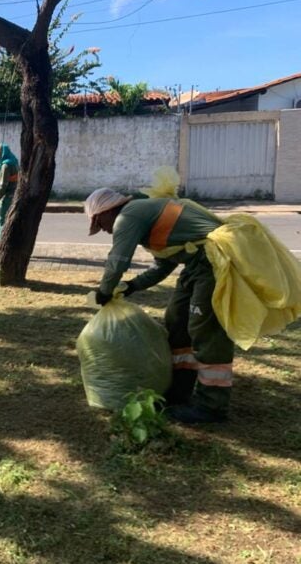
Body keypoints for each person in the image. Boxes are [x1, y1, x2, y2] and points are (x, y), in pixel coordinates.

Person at [84, 173, 301, 424]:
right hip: (196, 266)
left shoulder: (129, 216)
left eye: (101, 225)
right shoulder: (146, 215)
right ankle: (179, 391)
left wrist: (104, 290)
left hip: (214, 263)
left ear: (106, 212)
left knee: (205, 328)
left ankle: (212, 406)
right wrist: (132, 286)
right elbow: (162, 267)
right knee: (176, 320)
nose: (105, 230)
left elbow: (118, 259)